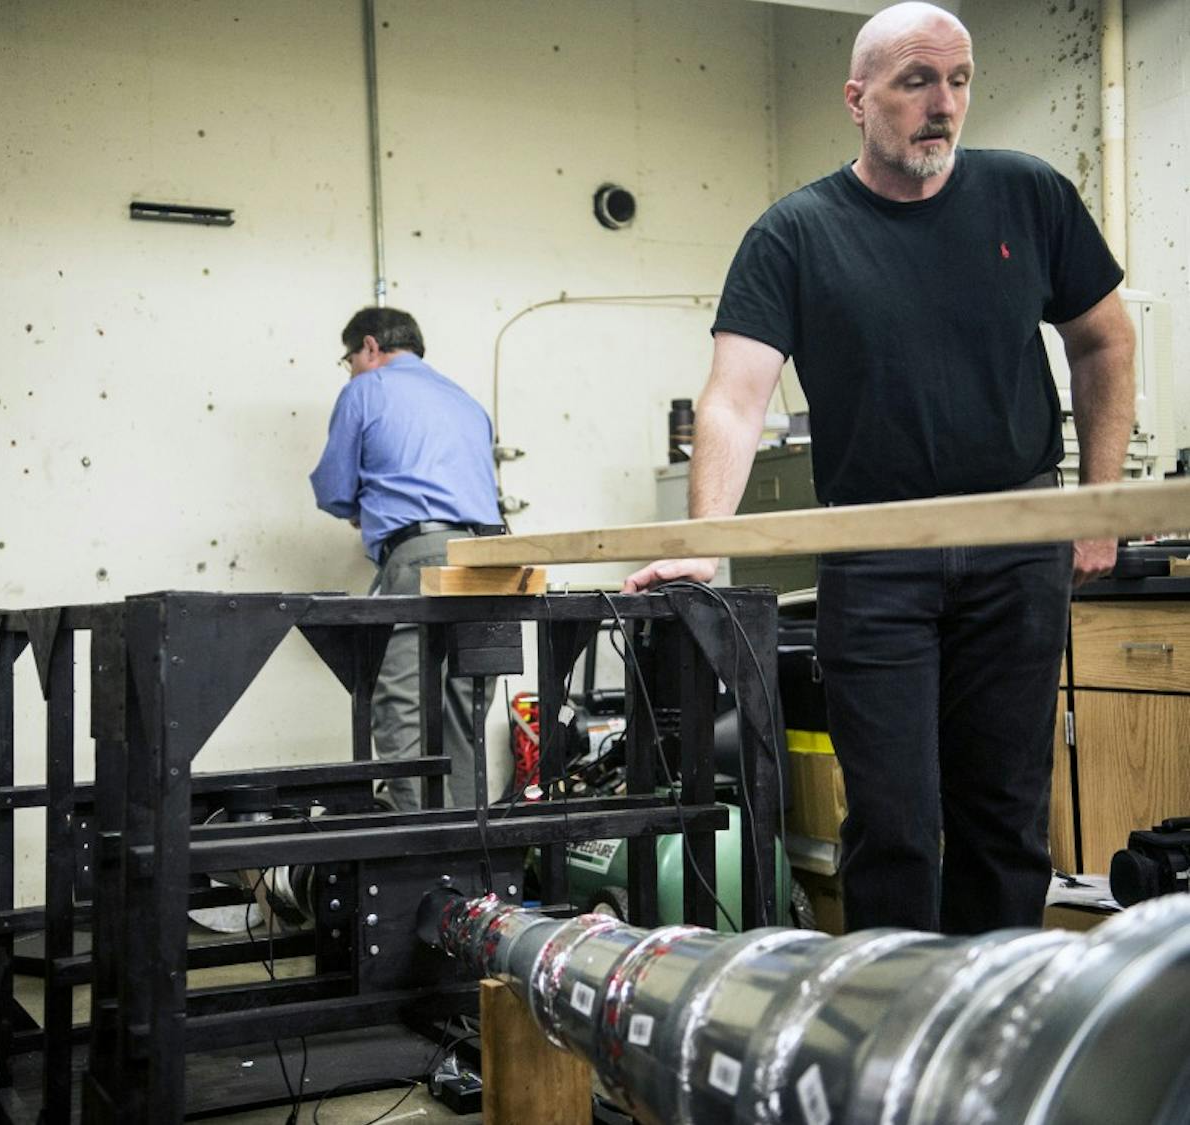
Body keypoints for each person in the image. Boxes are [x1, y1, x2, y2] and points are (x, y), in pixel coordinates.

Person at [624, 2, 1136, 934]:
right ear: (857, 100)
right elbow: (736, 397)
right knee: (894, 820)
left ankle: (997, 1023)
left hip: (1016, 544)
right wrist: (703, 544)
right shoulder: (795, 233)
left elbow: (1105, 341)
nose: (944, 103)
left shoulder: (1031, 195)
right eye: (916, 82)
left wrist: (1097, 505)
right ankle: (890, 1029)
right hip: (874, 550)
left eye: (959, 81)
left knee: (1006, 813)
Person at [310, 307, 505, 811]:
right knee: (466, 707)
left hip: (419, 555)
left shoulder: (365, 390)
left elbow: (332, 489)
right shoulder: (466, 401)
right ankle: (469, 845)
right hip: (487, 557)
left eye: (349, 358)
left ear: (369, 347)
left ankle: (419, 846)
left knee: (404, 700)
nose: (350, 368)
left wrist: (361, 509)